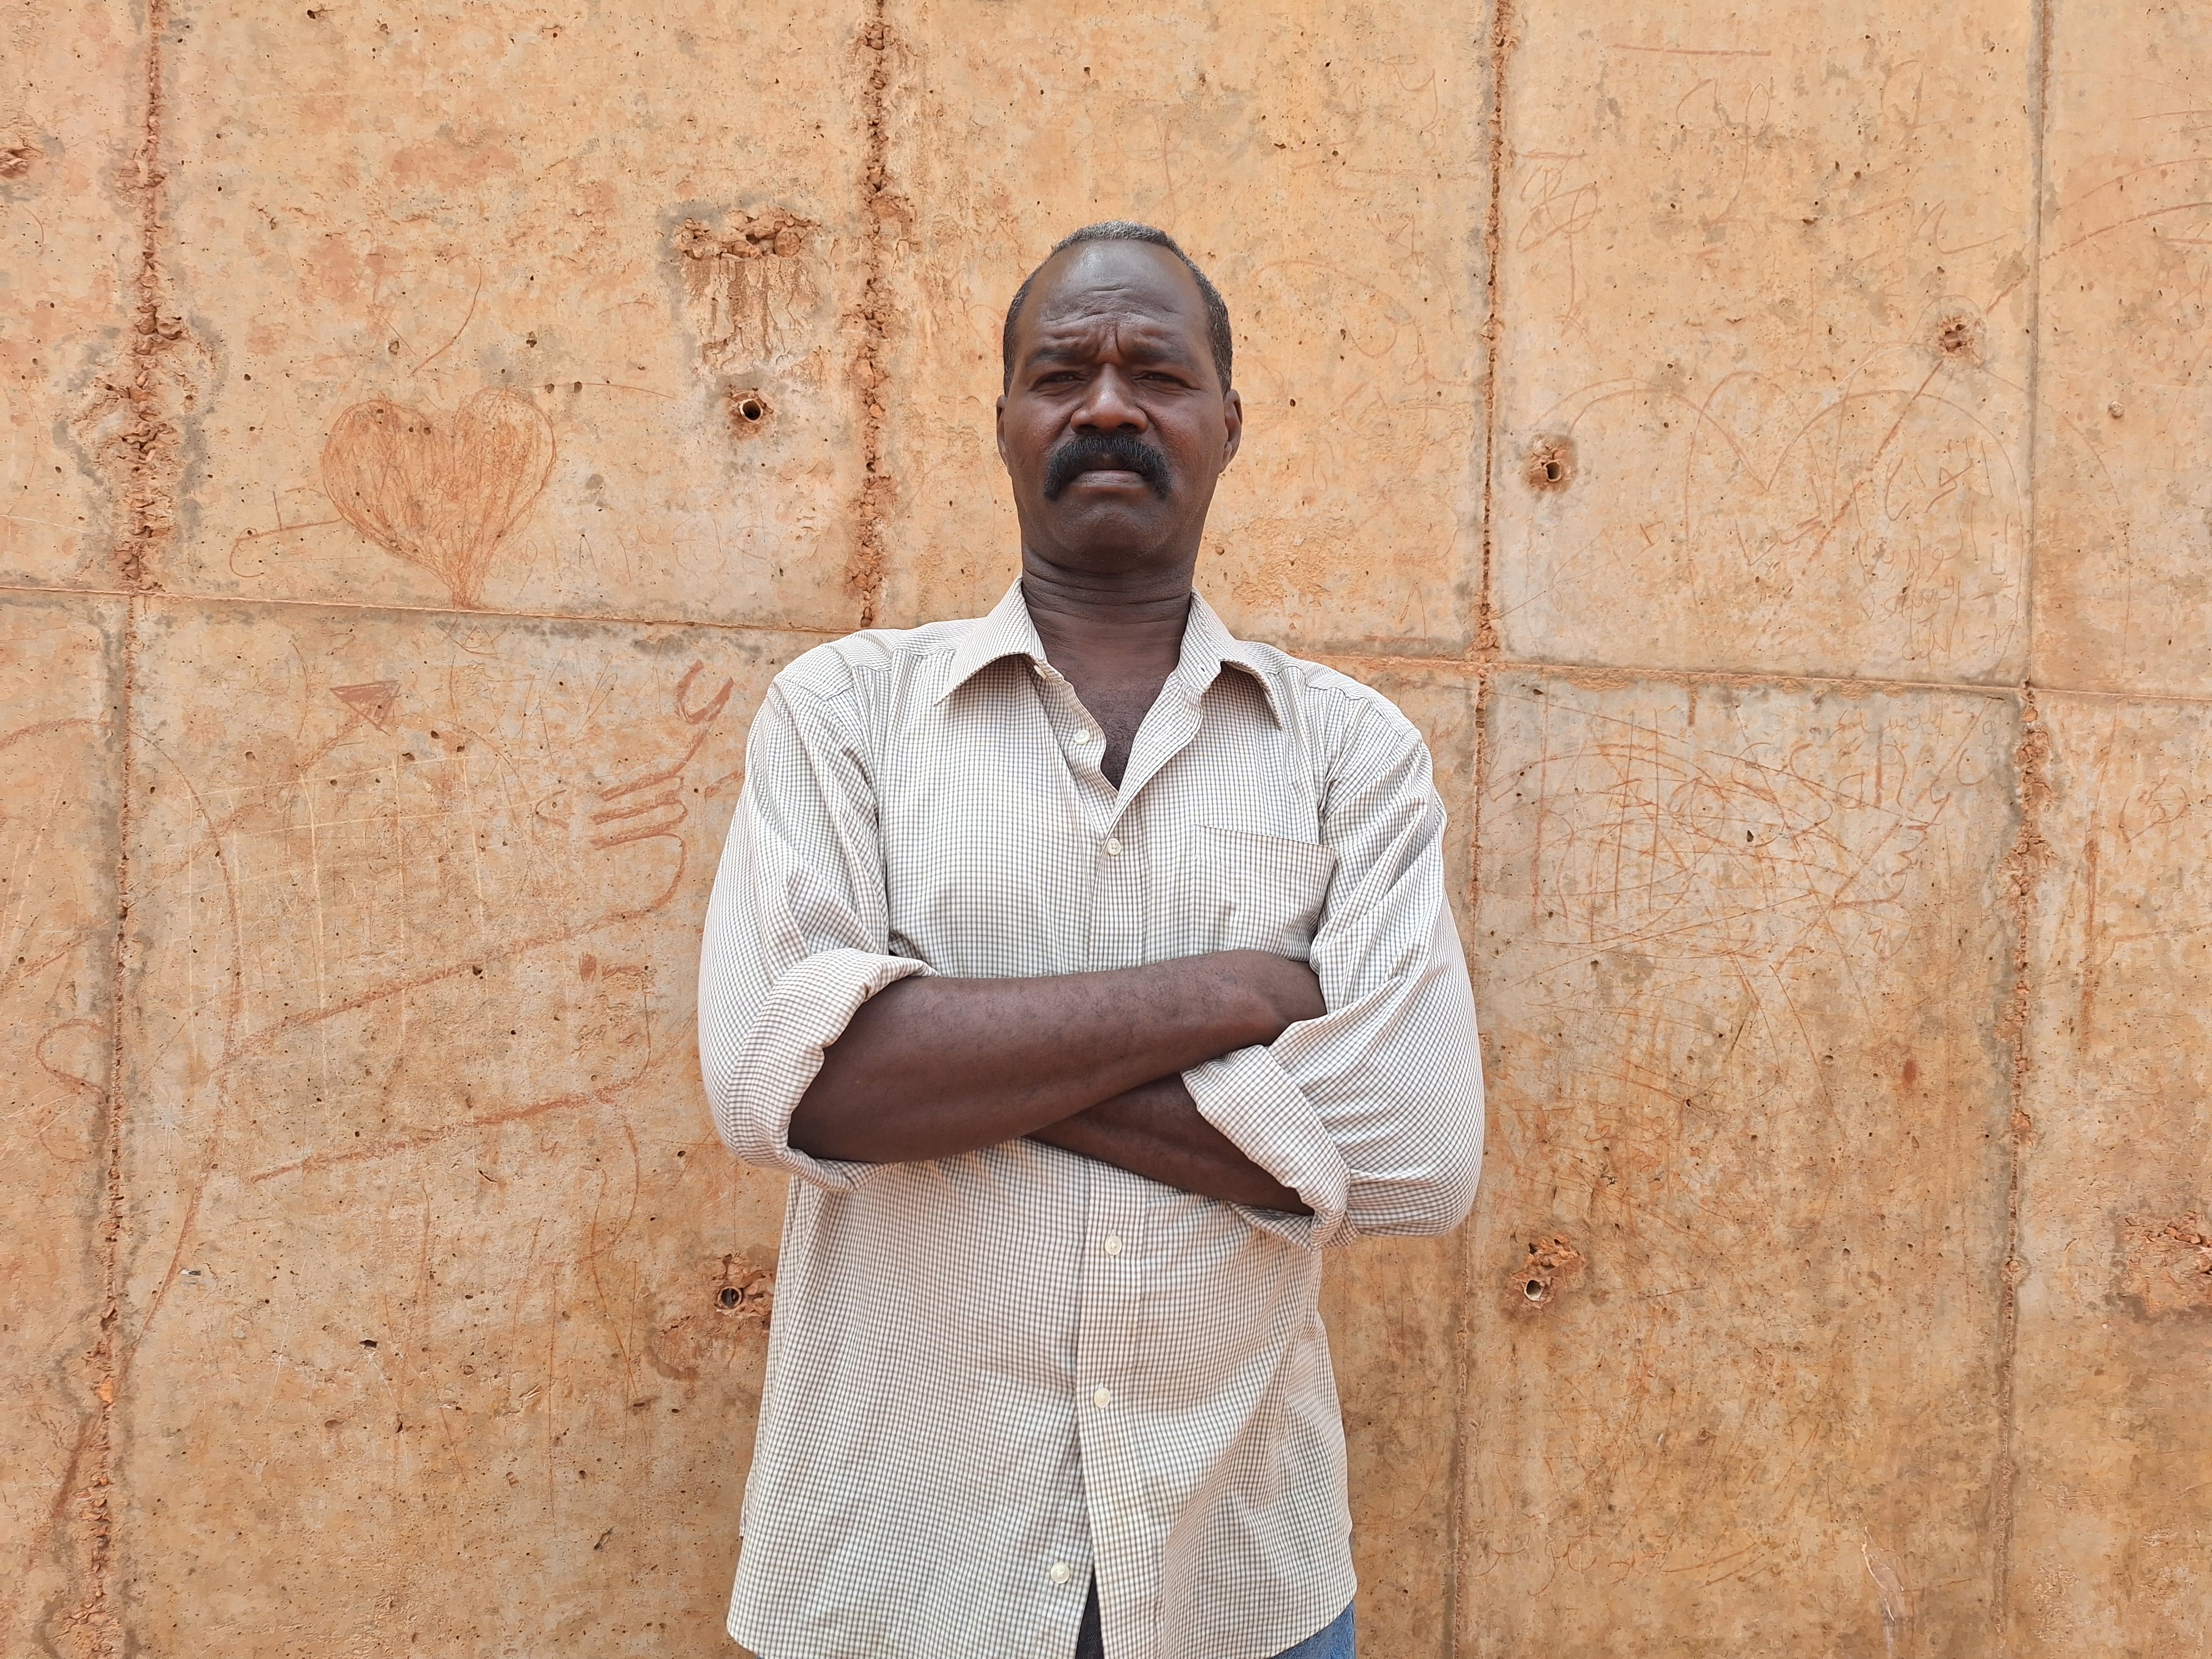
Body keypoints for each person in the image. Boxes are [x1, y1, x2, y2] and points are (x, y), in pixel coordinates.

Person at [698, 221, 1484, 1659]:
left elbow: (1414, 1152)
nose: (1109, 406)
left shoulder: (1347, 753)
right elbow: (792, 1081)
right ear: (1003, 422)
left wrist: (955, 1057)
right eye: (1062, 372)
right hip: (893, 1574)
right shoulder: (847, 716)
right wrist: (1229, 993)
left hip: (1237, 1578)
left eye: (1157, 373)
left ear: (1227, 423)